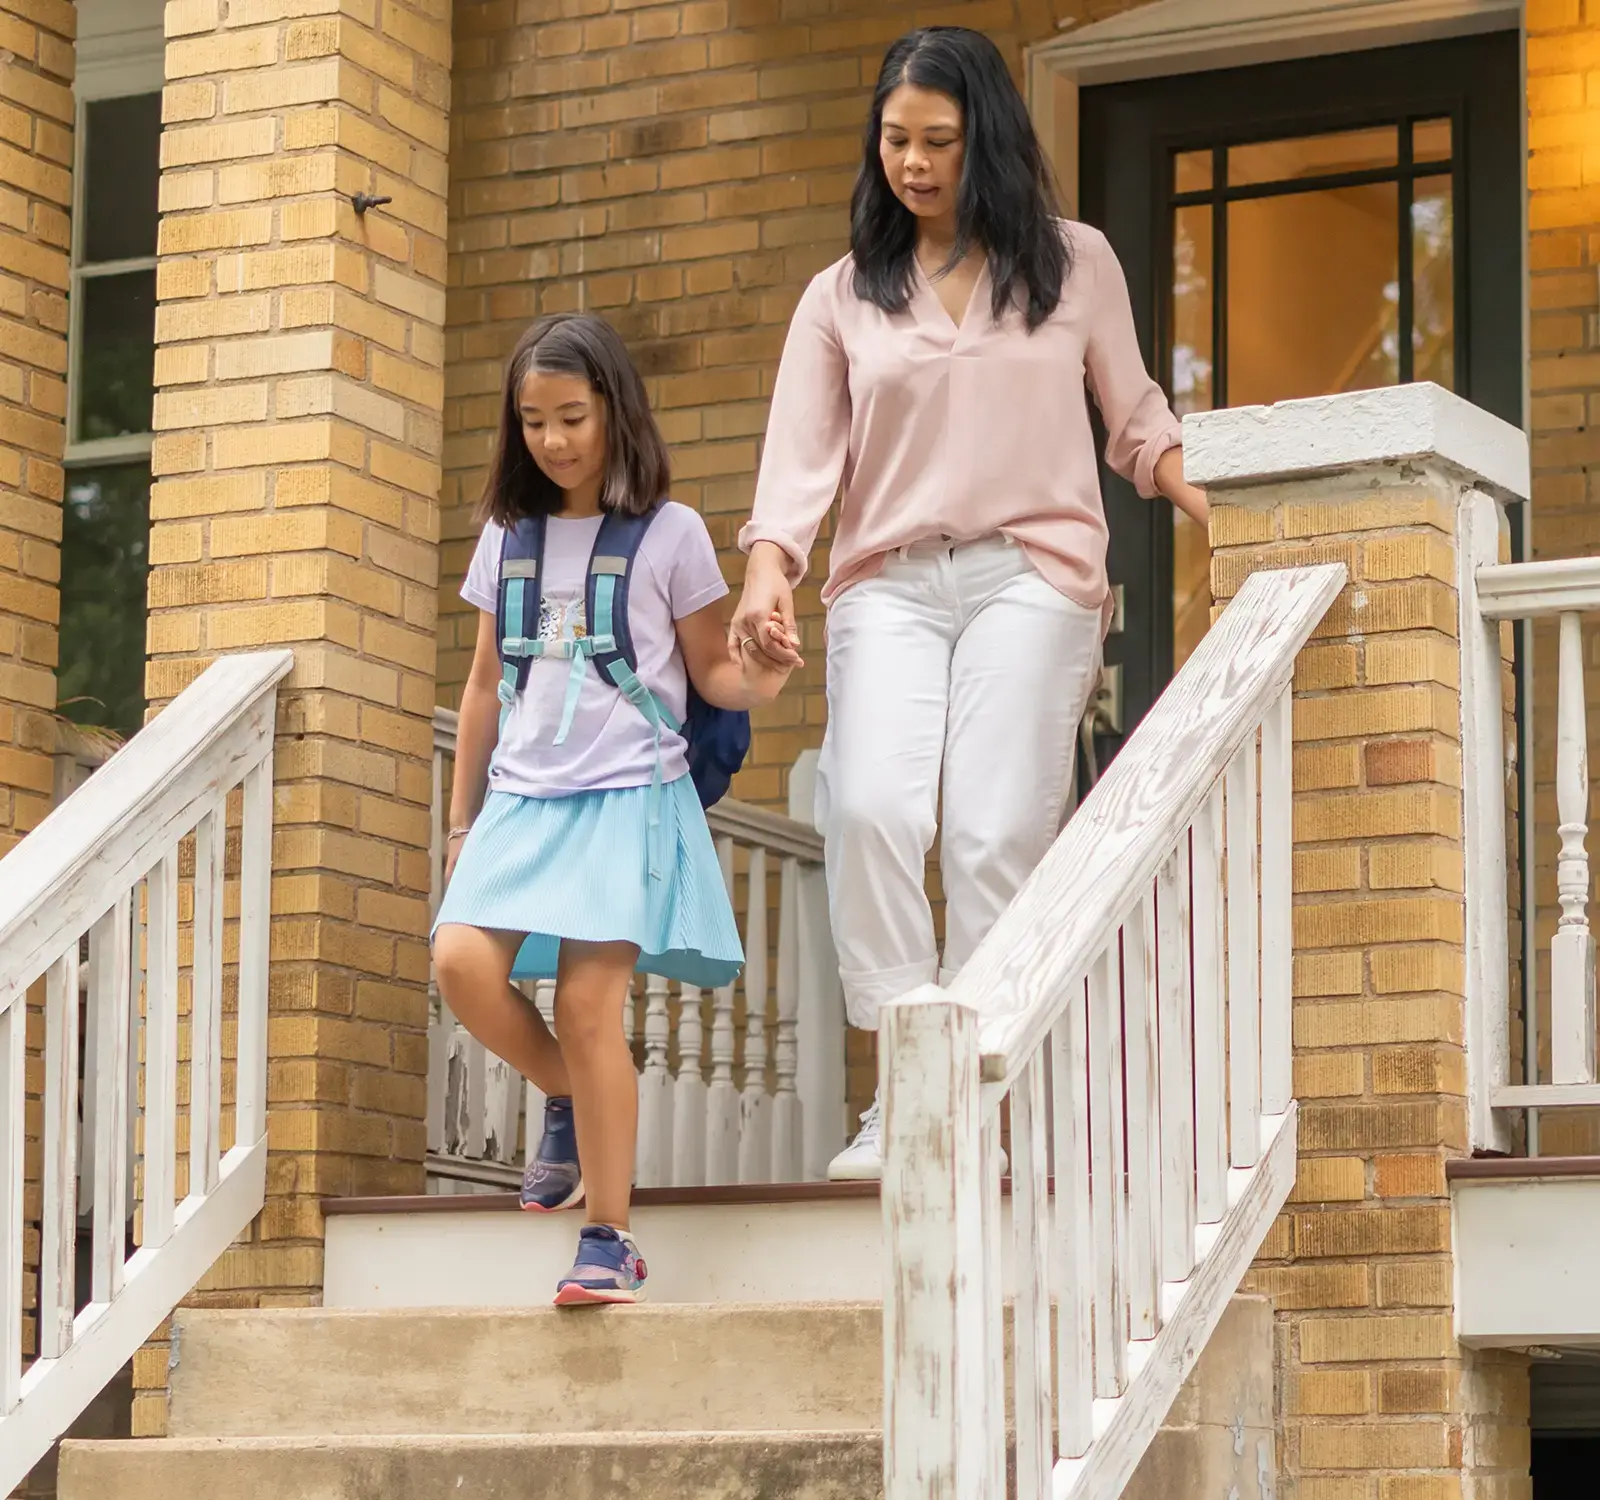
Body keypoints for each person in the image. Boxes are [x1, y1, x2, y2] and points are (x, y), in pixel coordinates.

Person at [731, 26, 1208, 1180]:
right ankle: (910, 1091)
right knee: (869, 814)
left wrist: (1213, 503)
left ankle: (984, 1097)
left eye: (937, 141)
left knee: (996, 833)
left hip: (1029, 577)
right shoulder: (841, 295)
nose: (913, 163)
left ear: (982, 137)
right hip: (887, 584)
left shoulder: (1074, 262)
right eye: (894, 140)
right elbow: (798, 463)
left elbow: (1135, 419)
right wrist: (766, 571)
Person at [434, 313, 796, 1303]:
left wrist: (761, 675)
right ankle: (566, 1094)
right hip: (520, 798)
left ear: (614, 413)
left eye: (572, 418)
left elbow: (714, 672)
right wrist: (462, 820)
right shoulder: (506, 535)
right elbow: (480, 686)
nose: (553, 441)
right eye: (534, 421)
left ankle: (609, 1235)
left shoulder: (668, 533)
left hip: (627, 794)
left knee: (591, 1005)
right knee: (460, 964)